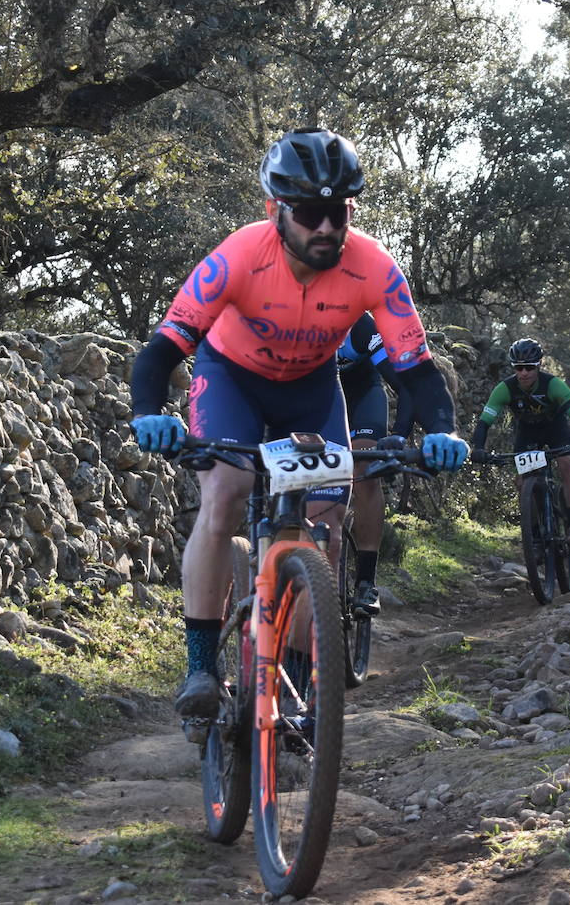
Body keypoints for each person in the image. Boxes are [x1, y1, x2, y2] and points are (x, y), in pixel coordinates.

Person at [127, 127, 469, 721]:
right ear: (275, 211)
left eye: (338, 212)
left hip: (312, 390)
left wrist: (442, 429)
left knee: (327, 520)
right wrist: (150, 413)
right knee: (226, 495)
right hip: (232, 379)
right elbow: (161, 351)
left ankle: (303, 676)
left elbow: (417, 371)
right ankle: (202, 665)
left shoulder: (374, 268)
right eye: (310, 213)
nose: (326, 228)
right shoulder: (237, 255)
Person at [470, 337, 570, 544]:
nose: (524, 373)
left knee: (566, 464)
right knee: (522, 481)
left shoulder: (553, 385)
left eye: (529, 367)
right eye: (518, 368)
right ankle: (533, 533)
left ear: (539, 365)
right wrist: (478, 448)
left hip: (555, 428)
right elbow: (484, 422)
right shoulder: (505, 389)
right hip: (527, 432)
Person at [335, 311, 413, 618]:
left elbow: (405, 385)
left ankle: (365, 581)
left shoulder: (361, 326)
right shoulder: (293, 315)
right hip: (319, 402)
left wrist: (399, 436)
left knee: (364, 470)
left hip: (364, 397)